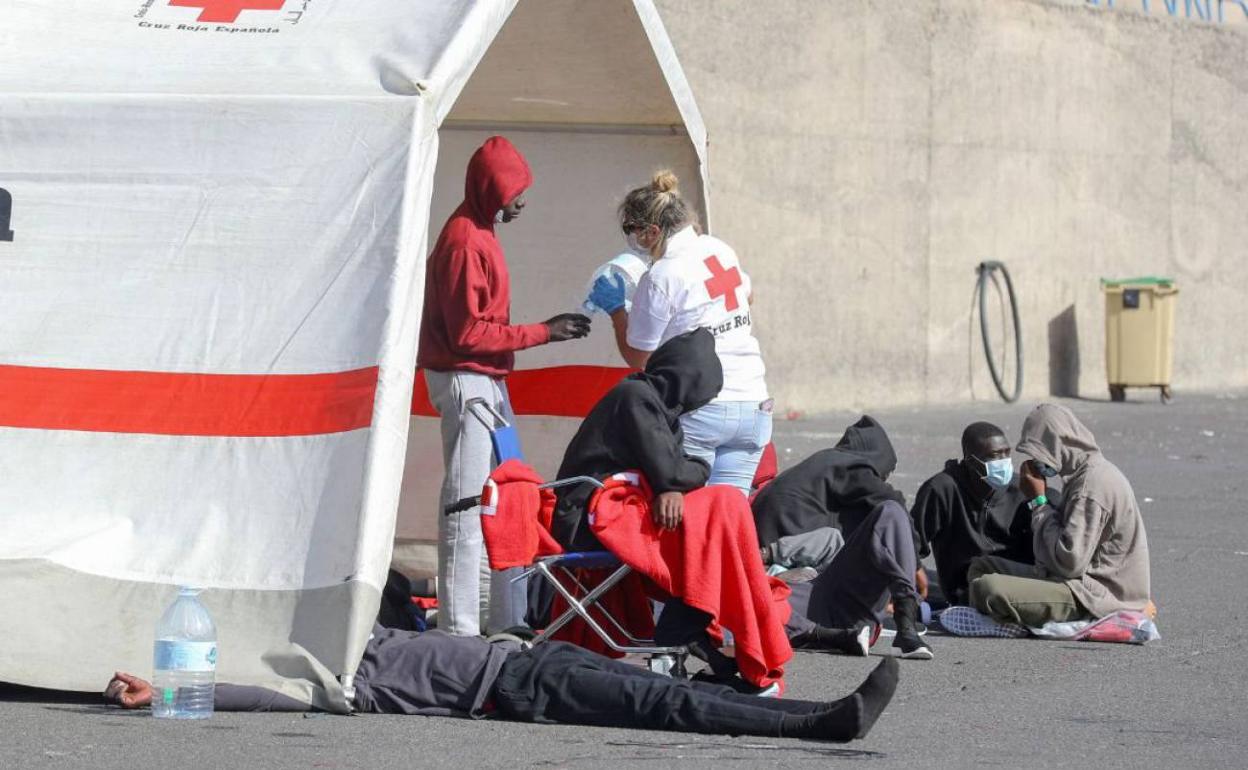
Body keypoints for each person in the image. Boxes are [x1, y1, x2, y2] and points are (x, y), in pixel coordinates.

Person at [103, 626, 900, 743]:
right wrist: (166, 696)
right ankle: (817, 728)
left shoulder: (353, 623)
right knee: (670, 704)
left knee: (679, 687)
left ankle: (822, 713)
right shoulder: (330, 683)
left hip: (530, 656)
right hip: (516, 694)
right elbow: (255, 695)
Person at [417, 135, 591, 636]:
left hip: (488, 384)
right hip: (467, 382)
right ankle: (458, 629)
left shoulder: (480, 231)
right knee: (467, 503)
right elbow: (467, 334)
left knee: (503, 497)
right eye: (515, 191)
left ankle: (499, 619)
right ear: (492, 189)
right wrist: (544, 332)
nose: (522, 201)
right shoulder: (465, 242)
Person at [548, 328, 767, 680]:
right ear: (687, 380)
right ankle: (683, 630)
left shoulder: (660, 406)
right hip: (586, 517)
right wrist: (684, 475)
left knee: (714, 526)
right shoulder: (635, 397)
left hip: (616, 506)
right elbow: (674, 469)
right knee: (709, 533)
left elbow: (672, 471)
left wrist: (673, 483)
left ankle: (691, 628)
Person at [588, 170, 771, 496]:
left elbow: (639, 357)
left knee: (690, 517)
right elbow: (748, 296)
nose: (633, 239)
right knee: (728, 519)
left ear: (652, 231)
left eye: (633, 231)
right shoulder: (718, 249)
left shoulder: (661, 275)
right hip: (753, 404)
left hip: (702, 409)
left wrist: (617, 310)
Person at [752, 417, 933, 660]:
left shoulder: (824, 469)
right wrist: (915, 563)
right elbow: (892, 504)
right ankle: (836, 635)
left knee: (879, 522)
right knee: (884, 515)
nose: (881, 479)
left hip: (816, 588)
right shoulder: (850, 465)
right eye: (884, 473)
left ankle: (905, 623)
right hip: (795, 588)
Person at [967, 403, 1151, 627]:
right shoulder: (1081, 476)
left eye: (1039, 455)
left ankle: (1011, 618)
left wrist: (1038, 501)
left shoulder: (1092, 486)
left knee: (987, 588)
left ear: (1058, 445)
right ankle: (1008, 613)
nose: (1036, 463)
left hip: (1093, 596)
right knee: (982, 567)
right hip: (1073, 583)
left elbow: (1069, 562)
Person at [910, 422, 1034, 607]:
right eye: (994, 456)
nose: (1003, 461)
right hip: (966, 590)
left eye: (1006, 453)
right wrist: (915, 573)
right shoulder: (942, 489)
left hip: (1018, 585)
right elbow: (911, 541)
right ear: (971, 461)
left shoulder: (1021, 490)